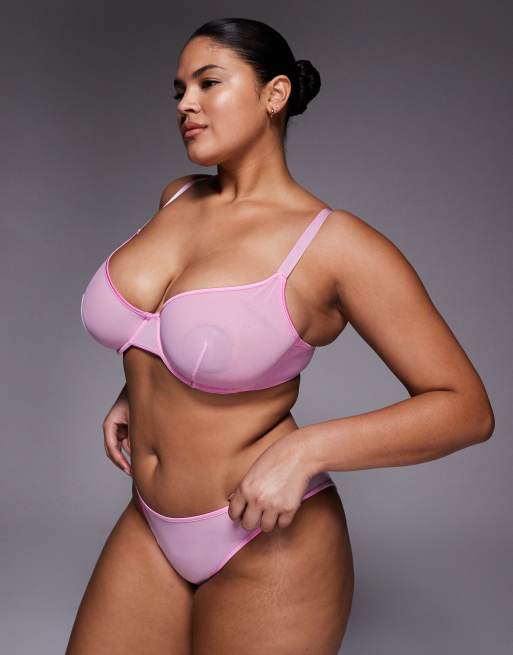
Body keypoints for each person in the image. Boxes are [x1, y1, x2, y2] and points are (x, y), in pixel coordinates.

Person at [66, 17, 494, 655]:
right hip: (149, 521)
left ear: (275, 94)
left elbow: (466, 409)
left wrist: (306, 451)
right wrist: (135, 390)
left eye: (209, 83)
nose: (185, 104)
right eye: (180, 90)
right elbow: (170, 330)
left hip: (265, 535)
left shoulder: (334, 245)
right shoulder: (178, 198)